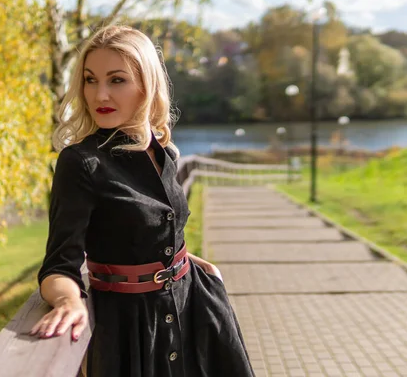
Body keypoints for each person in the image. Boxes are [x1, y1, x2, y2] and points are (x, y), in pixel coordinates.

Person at [30, 25, 255, 377]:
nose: (99, 94)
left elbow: (157, 233)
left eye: (116, 80)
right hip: (132, 330)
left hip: (195, 305)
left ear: (146, 86)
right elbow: (59, 266)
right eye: (91, 80)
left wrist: (202, 268)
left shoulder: (163, 151)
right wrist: (68, 299)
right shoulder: (81, 163)